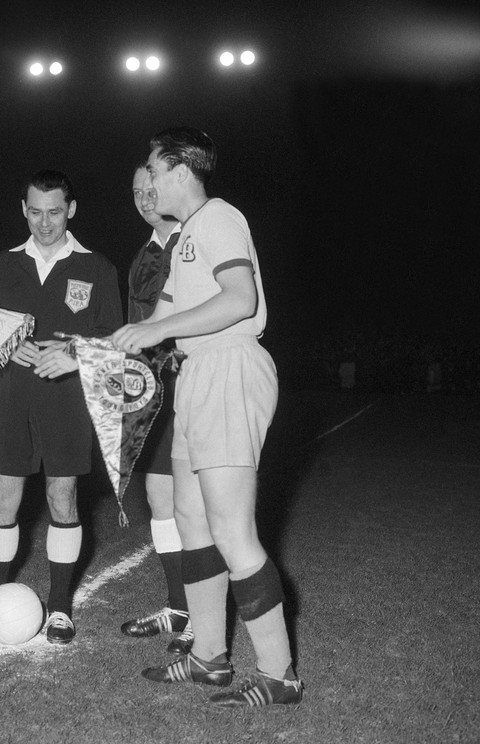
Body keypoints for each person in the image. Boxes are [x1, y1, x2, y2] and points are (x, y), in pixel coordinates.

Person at [111, 127, 303, 707]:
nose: (146, 179)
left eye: (152, 167)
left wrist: (158, 329)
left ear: (177, 167)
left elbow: (240, 299)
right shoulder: (187, 236)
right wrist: (80, 351)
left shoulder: (219, 217)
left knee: (231, 530)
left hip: (228, 366)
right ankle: (209, 659)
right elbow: (161, 314)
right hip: (195, 374)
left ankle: (279, 674)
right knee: (192, 520)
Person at [0, 170, 122, 644]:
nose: (46, 223)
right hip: (13, 399)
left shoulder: (97, 267)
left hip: (69, 402)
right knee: (3, 495)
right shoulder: (2, 265)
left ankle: (61, 606)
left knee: (61, 497)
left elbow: (114, 341)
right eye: (36, 212)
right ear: (23, 210)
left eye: (56, 211)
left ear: (72, 210)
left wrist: (72, 355)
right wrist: (7, 347)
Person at [118, 165, 193, 657]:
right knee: (159, 493)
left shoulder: (195, 240)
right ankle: (180, 607)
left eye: (153, 189)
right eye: (137, 192)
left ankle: (203, 619)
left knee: (198, 505)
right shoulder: (144, 253)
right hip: (151, 388)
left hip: (193, 382)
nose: (146, 199)